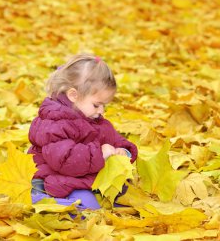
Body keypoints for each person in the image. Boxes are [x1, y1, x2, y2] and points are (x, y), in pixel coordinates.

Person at [28, 54, 138, 210]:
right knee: (88, 209)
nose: (101, 111)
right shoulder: (56, 123)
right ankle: (43, 201)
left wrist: (124, 151)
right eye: (96, 105)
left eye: (104, 105)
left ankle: (69, 205)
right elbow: (66, 160)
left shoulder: (94, 118)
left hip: (84, 176)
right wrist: (100, 153)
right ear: (73, 95)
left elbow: (112, 138)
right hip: (56, 179)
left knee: (123, 194)